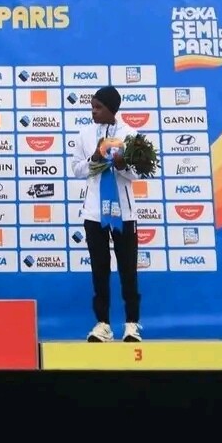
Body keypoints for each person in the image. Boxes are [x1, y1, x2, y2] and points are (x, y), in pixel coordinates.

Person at [71, 85, 142, 343]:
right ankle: (103, 325)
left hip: (124, 212)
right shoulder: (85, 134)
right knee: (99, 269)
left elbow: (137, 174)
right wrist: (94, 159)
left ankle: (131, 325)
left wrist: (122, 165)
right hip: (94, 213)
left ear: (112, 109)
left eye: (98, 107)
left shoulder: (130, 134)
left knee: (127, 269)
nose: (93, 111)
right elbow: (76, 169)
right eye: (92, 107)